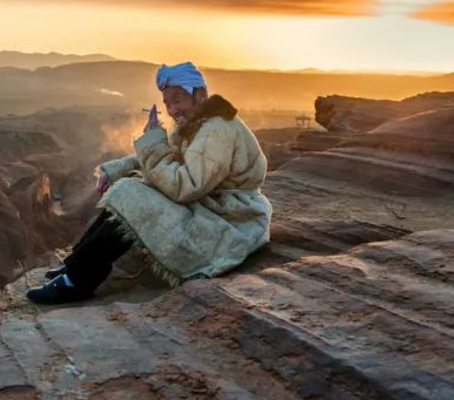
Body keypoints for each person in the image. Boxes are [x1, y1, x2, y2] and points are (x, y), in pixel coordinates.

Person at [26, 62, 272, 304]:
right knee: (129, 189)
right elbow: (171, 155)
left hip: (230, 218)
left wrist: (153, 142)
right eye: (167, 103)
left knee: (132, 195)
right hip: (212, 206)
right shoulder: (197, 123)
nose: (173, 110)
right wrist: (115, 170)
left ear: (201, 94)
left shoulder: (216, 130)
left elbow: (185, 186)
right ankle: (76, 265)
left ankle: (77, 282)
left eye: (178, 99)